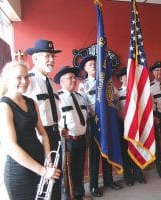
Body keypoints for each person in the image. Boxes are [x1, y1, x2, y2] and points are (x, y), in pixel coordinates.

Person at [0, 61, 61, 200]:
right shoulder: (3, 107)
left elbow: (42, 133)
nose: (24, 81)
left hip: (39, 164)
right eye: (18, 77)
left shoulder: (31, 102)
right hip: (20, 172)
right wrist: (42, 171)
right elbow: (11, 147)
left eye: (26, 77)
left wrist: (47, 159)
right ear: (7, 79)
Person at [78, 54, 122, 197]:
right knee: (94, 156)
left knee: (107, 151)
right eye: (90, 64)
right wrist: (95, 114)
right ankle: (93, 186)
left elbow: (115, 98)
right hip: (94, 122)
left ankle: (109, 181)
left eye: (95, 64)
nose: (93, 66)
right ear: (85, 68)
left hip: (107, 122)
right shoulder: (83, 85)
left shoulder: (107, 82)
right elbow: (83, 105)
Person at [24, 39, 62, 199]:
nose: (52, 60)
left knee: (56, 179)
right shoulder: (29, 81)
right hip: (39, 138)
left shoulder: (51, 83)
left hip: (55, 135)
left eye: (52, 56)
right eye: (47, 56)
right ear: (35, 59)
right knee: (43, 182)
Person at [54, 66, 90, 200]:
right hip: (67, 141)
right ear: (62, 81)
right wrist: (59, 130)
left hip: (81, 139)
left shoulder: (80, 97)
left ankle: (79, 195)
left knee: (79, 169)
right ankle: (67, 196)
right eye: (70, 78)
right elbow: (54, 118)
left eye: (74, 77)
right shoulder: (58, 98)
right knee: (66, 170)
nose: (74, 80)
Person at [116, 67, 147, 186]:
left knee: (137, 149)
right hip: (123, 125)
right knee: (125, 151)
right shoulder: (117, 93)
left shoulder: (136, 92)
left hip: (136, 125)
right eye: (125, 76)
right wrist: (126, 120)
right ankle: (128, 177)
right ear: (120, 79)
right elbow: (117, 110)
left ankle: (139, 175)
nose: (128, 78)